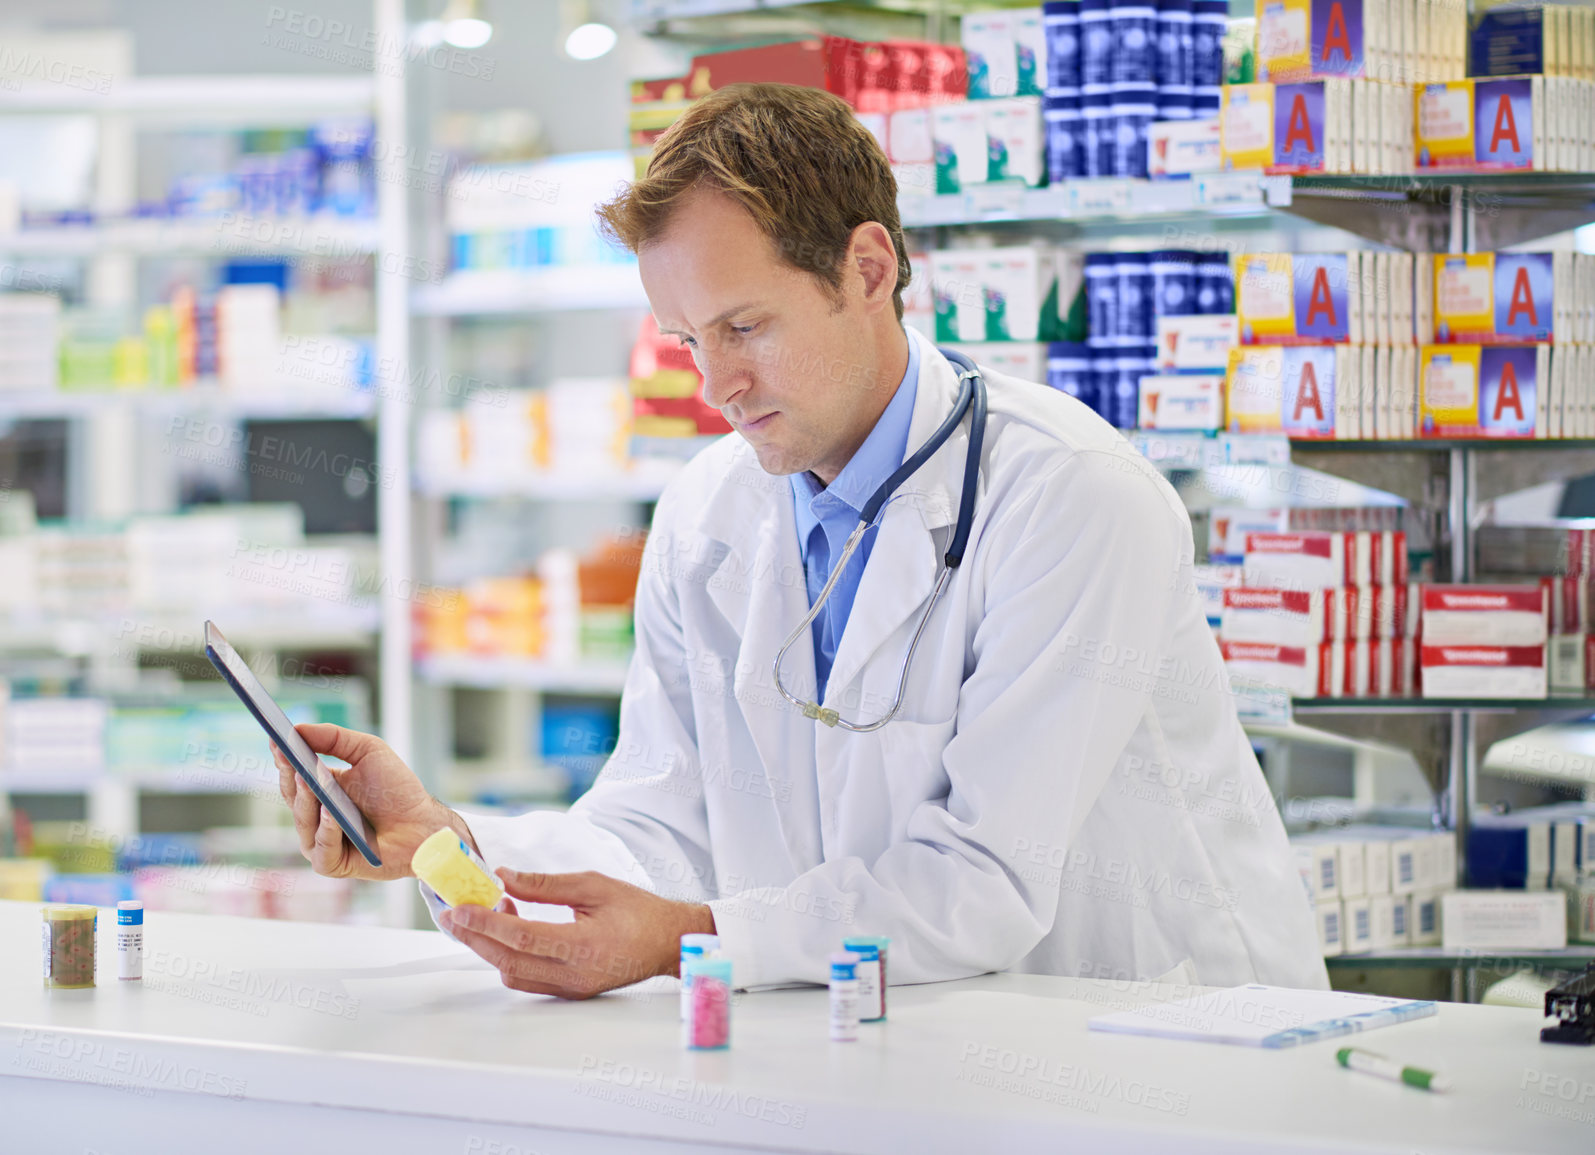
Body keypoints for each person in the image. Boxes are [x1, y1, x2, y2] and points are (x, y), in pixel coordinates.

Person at [275, 82, 1328, 999]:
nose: (715, 386)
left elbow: (983, 881)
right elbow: (657, 822)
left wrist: (688, 943)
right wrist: (456, 846)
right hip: (896, 1039)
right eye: (689, 342)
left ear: (869, 269)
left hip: (1157, 1046)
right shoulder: (707, 515)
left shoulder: (1072, 498)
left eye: (746, 327)